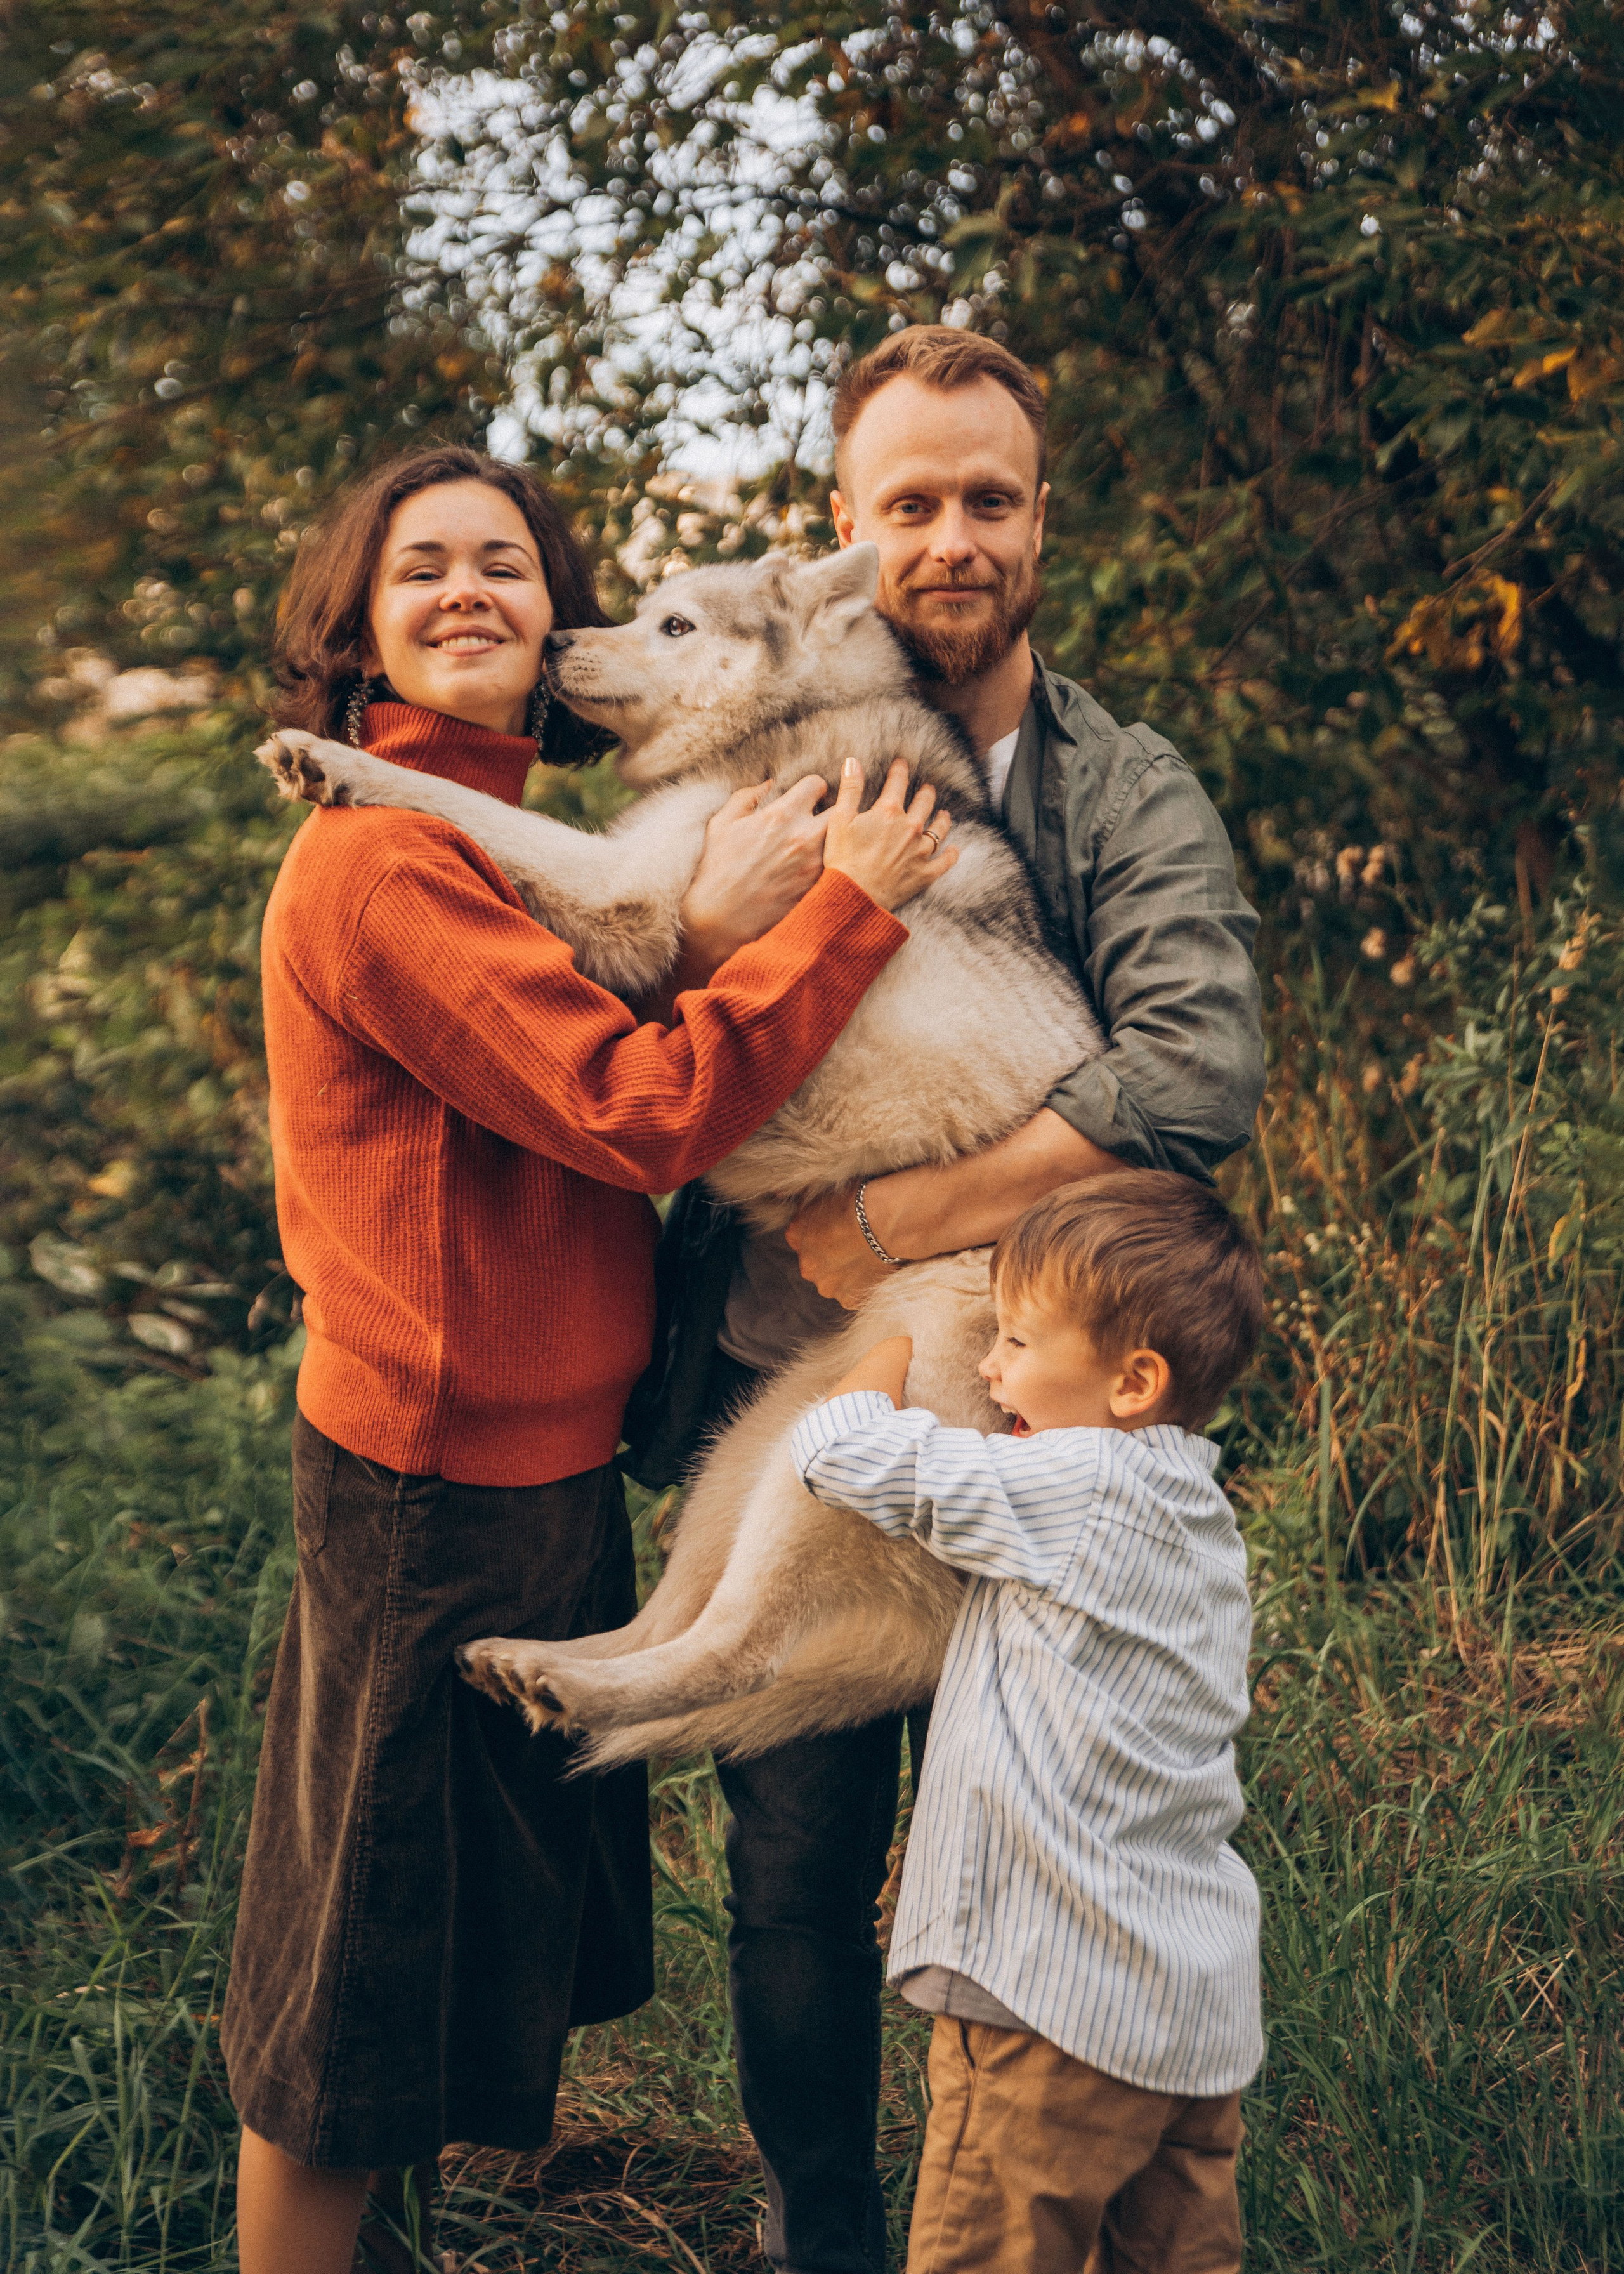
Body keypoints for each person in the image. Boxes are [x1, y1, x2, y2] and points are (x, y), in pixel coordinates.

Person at [220, 444, 958, 2274]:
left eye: (505, 564)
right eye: (423, 569)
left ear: (552, 616)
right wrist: (841, 915)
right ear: (358, 620)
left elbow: (603, 976)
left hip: (537, 1467)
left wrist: (703, 929)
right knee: (353, 1990)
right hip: (428, 1479)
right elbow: (634, 1107)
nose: (470, 590)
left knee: (438, 1959)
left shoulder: (473, 845)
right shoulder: (383, 861)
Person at [622, 329, 1267, 2274]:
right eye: (913, 502)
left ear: (1041, 521)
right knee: (796, 1870)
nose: (955, 537)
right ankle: (826, 2229)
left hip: (1064, 1421)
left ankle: (1043, 2219)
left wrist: (907, 1201)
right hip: (790, 1378)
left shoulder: (1124, 788)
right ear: (847, 536)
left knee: (1070, 1859)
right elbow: (649, 1032)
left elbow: (1198, 1072)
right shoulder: (757, 756)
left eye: (990, 498)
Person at [792, 1173, 1267, 2273]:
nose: (989, 1366)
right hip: (1189, 2016)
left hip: (1041, 1999)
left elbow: (844, 1454)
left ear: (1132, 1382)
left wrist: (881, 1353)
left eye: (1013, 1338)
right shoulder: (1200, 1518)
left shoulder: (1077, 1480)